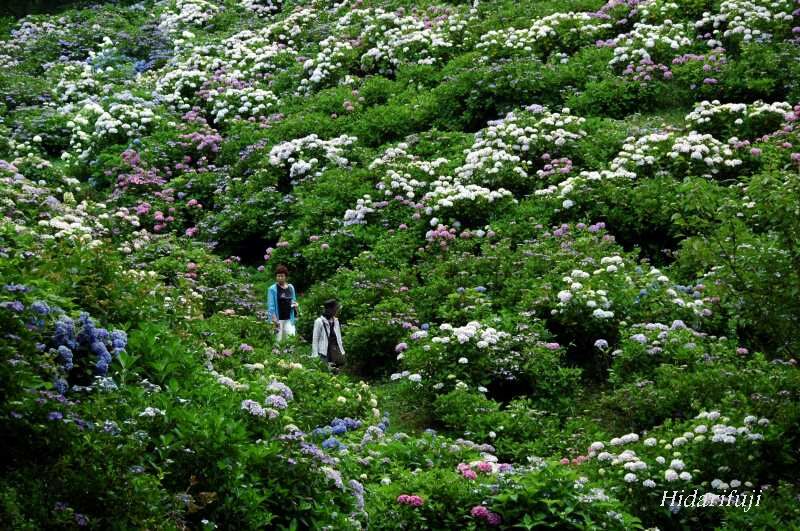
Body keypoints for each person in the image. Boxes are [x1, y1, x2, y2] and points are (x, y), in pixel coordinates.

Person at [266, 264, 299, 342]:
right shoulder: (272, 289)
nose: (280, 278)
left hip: (289, 318)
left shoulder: (291, 287)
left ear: (285, 277)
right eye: (278, 276)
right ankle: (277, 354)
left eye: (282, 276)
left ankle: (290, 354)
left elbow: (293, 300)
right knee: (278, 341)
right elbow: (271, 306)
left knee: (291, 338)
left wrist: (296, 306)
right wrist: (275, 321)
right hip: (278, 319)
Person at [312, 299, 345, 369]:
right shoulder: (319, 321)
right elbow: (315, 340)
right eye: (335, 309)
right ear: (330, 309)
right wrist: (315, 356)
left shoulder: (336, 321)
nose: (337, 311)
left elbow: (339, 337)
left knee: (335, 372)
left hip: (334, 351)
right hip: (324, 353)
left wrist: (341, 350)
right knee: (325, 372)